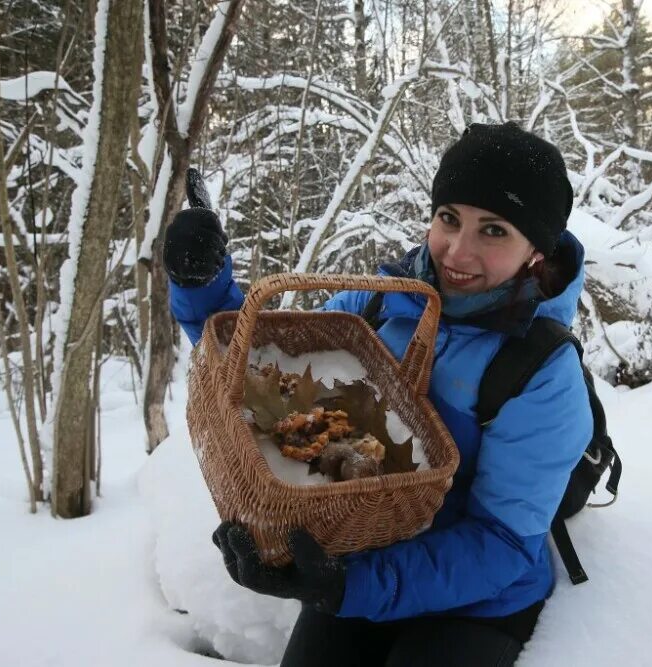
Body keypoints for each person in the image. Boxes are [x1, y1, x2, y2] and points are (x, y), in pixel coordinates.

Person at [164, 122, 593, 667]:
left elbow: (502, 542)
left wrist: (349, 585)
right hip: (358, 557)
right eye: (449, 218)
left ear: (536, 249)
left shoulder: (541, 371)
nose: (458, 252)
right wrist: (203, 288)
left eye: (494, 230)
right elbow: (261, 368)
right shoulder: (376, 309)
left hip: (477, 601)